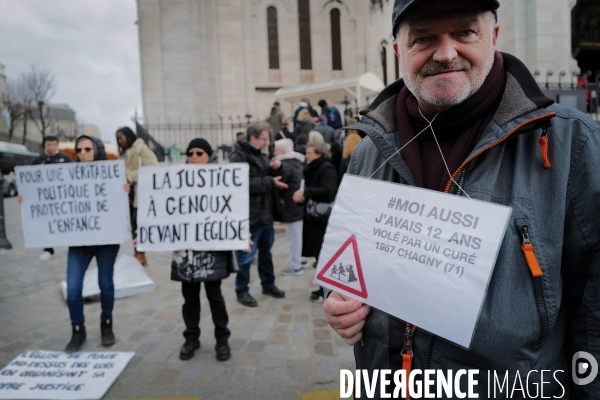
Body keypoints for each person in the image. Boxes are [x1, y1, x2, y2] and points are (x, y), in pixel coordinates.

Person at [322, 0, 600, 397]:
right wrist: (340, 303)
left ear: (494, 37)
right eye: (424, 38)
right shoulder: (369, 150)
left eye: (464, 33)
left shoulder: (571, 142)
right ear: (399, 50)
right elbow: (345, 271)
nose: (446, 53)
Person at [21, 135, 130, 352]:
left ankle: (106, 324)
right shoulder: (68, 174)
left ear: (96, 150)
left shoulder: (111, 172)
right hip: (79, 243)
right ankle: (77, 329)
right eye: (79, 150)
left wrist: (125, 190)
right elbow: (50, 197)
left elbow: (120, 205)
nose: (83, 153)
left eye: (87, 149)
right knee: (73, 288)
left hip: (106, 241)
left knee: (105, 284)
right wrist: (28, 198)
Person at [172, 138, 232, 362]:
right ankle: (191, 338)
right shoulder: (176, 179)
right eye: (190, 153)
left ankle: (222, 339)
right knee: (189, 298)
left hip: (211, 248)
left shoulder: (222, 179)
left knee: (215, 296)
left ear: (209, 155)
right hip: (186, 248)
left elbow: (232, 209)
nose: (194, 157)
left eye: (199, 153)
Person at [229, 122, 288, 307]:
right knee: (246, 255)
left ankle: (268, 284)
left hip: (266, 212)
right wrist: (270, 180)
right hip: (250, 214)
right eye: (264, 138)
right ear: (253, 138)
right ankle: (242, 290)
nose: (267, 142)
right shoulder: (238, 155)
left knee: (266, 253)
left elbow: (266, 176)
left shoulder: (260, 153)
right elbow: (243, 184)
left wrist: (274, 168)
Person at [293, 142, 338, 300]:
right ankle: (323, 288)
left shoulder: (327, 168)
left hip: (323, 221)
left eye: (310, 153)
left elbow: (328, 191)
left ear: (320, 153)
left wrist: (306, 192)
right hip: (313, 218)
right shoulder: (311, 169)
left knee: (324, 256)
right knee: (319, 256)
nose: (307, 156)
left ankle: (328, 290)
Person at [115, 127, 158, 266]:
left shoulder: (141, 148)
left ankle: (141, 252)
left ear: (128, 136)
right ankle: (138, 252)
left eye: (121, 138)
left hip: (140, 192)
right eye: (118, 139)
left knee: (139, 224)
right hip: (129, 193)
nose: (119, 141)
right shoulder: (123, 152)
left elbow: (151, 168)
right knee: (134, 224)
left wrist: (130, 177)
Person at [31, 135, 73, 261]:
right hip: (45, 199)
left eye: (54, 145)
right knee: (47, 223)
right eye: (49, 145)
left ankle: (73, 244)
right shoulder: (37, 161)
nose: (52, 147)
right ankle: (48, 248)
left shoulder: (65, 158)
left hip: (63, 196)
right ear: (44, 145)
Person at [272, 139, 305, 276]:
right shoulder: (297, 161)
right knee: (297, 236)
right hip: (297, 204)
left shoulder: (285, 164)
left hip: (291, 205)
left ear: (281, 151)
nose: (274, 152)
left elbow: (283, 176)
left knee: (294, 237)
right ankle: (299, 259)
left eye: (276, 149)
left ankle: (295, 265)